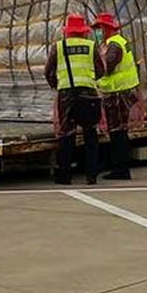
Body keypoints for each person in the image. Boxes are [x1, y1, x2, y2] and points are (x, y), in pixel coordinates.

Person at [44, 12, 101, 185]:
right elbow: (101, 70)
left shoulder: (59, 47)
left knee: (66, 135)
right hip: (88, 94)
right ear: (84, 31)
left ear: (68, 31)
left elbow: (48, 71)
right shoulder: (91, 46)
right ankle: (91, 175)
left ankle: (65, 176)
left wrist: (57, 84)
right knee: (90, 134)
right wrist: (90, 79)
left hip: (66, 94)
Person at [93, 11, 144, 181]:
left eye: (99, 28)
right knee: (119, 131)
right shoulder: (117, 41)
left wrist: (90, 74)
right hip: (123, 91)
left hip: (118, 93)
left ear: (106, 28)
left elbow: (107, 67)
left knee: (117, 131)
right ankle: (118, 165)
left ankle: (120, 169)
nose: (97, 31)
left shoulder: (114, 45)